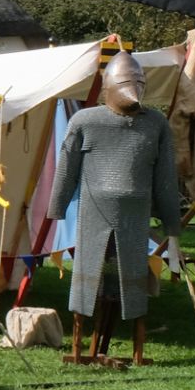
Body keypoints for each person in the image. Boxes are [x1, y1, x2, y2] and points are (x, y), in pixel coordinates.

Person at [47, 51, 183, 362]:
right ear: (109, 84)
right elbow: (66, 166)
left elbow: (165, 177)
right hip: (95, 213)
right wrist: (58, 205)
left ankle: (136, 350)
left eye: (139, 80)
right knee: (89, 284)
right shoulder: (85, 120)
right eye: (125, 80)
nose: (133, 86)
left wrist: (170, 221)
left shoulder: (155, 123)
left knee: (132, 283)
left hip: (135, 217)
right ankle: (80, 348)